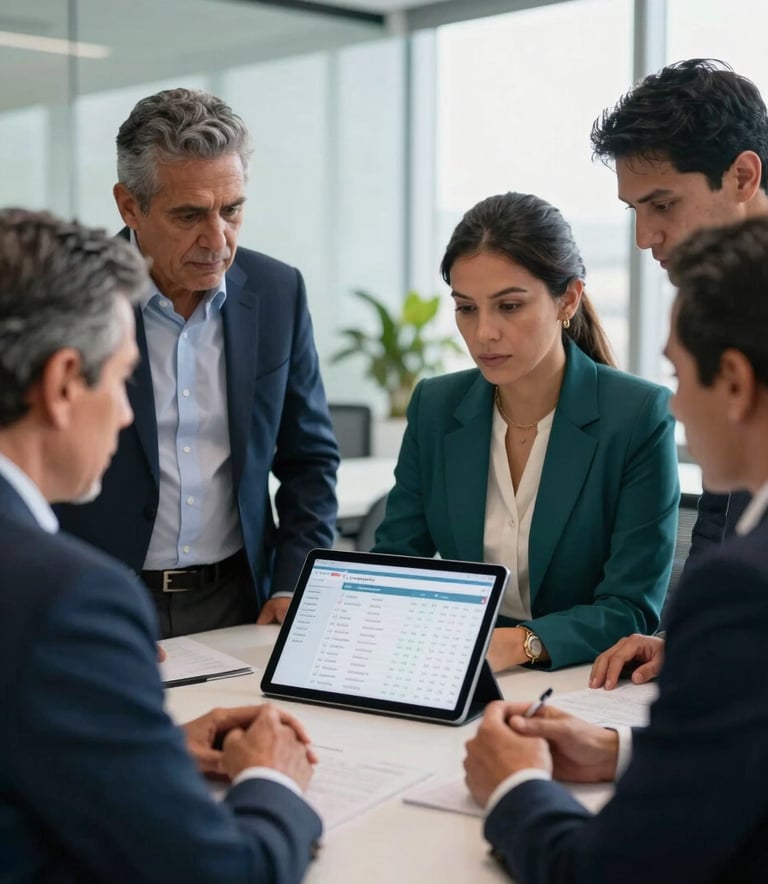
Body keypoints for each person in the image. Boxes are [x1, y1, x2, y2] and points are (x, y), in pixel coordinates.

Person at [0, 209, 322, 881]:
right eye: (121, 379)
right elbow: (221, 873)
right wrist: (271, 781)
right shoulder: (67, 599)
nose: (126, 413)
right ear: (63, 384)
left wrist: (142, 752)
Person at [463, 215, 768, 884]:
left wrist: (515, 788)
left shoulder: (740, 588)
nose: (679, 406)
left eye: (681, 376)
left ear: (738, 385)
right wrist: (616, 751)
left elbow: (609, 870)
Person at [55, 87, 339, 638]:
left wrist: (293, 582)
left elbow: (310, 459)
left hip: (241, 601)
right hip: (95, 601)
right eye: (189, 215)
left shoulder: (279, 292)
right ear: (129, 205)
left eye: (231, 211)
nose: (218, 240)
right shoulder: (67, 298)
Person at [373, 191, 679, 671]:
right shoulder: (435, 406)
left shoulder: (637, 414)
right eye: (466, 308)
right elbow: (393, 564)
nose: (484, 334)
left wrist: (520, 644)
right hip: (457, 670)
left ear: (568, 299)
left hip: (579, 678)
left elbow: (631, 606)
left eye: (509, 306)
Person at [588, 58, 768, 688]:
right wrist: (686, 638)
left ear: (743, 175)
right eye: (635, 209)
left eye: (662, 203)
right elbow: (724, 515)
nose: (645, 237)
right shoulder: (720, 300)